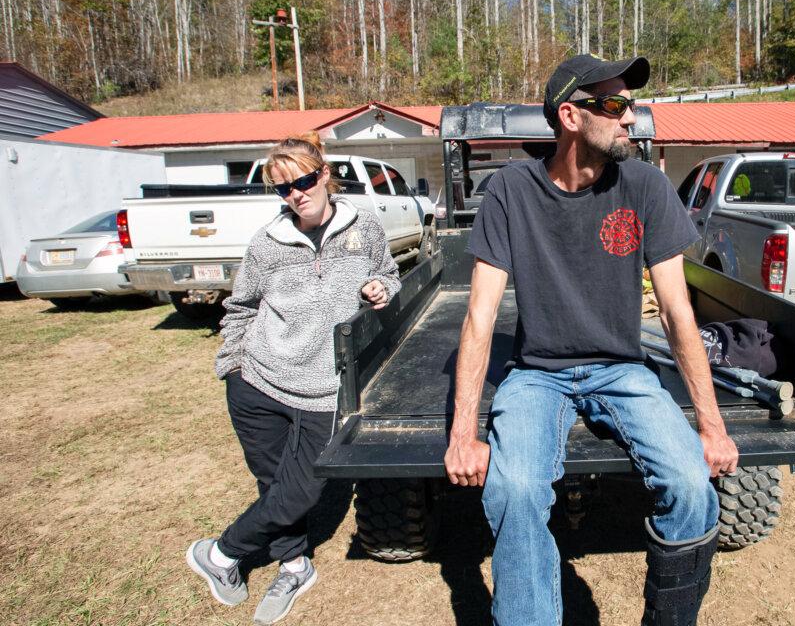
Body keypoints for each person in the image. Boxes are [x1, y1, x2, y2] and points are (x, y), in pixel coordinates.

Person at [444, 54, 740, 626]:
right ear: (571, 116)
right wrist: (463, 434)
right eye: (616, 105)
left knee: (692, 487)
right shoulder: (511, 191)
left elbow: (678, 313)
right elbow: (479, 318)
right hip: (536, 374)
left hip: (622, 370)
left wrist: (712, 427)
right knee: (516, 493)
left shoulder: (646, 185)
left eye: (631, 104)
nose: (631, 116)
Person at [185, 132, 401, 624]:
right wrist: (232, 366)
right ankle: (295, 564)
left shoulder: (362, 226)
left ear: (324, 175)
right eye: (283, 189)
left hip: (324, 387)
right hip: (257, 381)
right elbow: (240, 308)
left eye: (303, 181)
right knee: (272, 481)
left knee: (302, 489)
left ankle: (219, 553)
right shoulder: (267, 244)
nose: (296, 195)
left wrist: (380, 287)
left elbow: (390, 272)